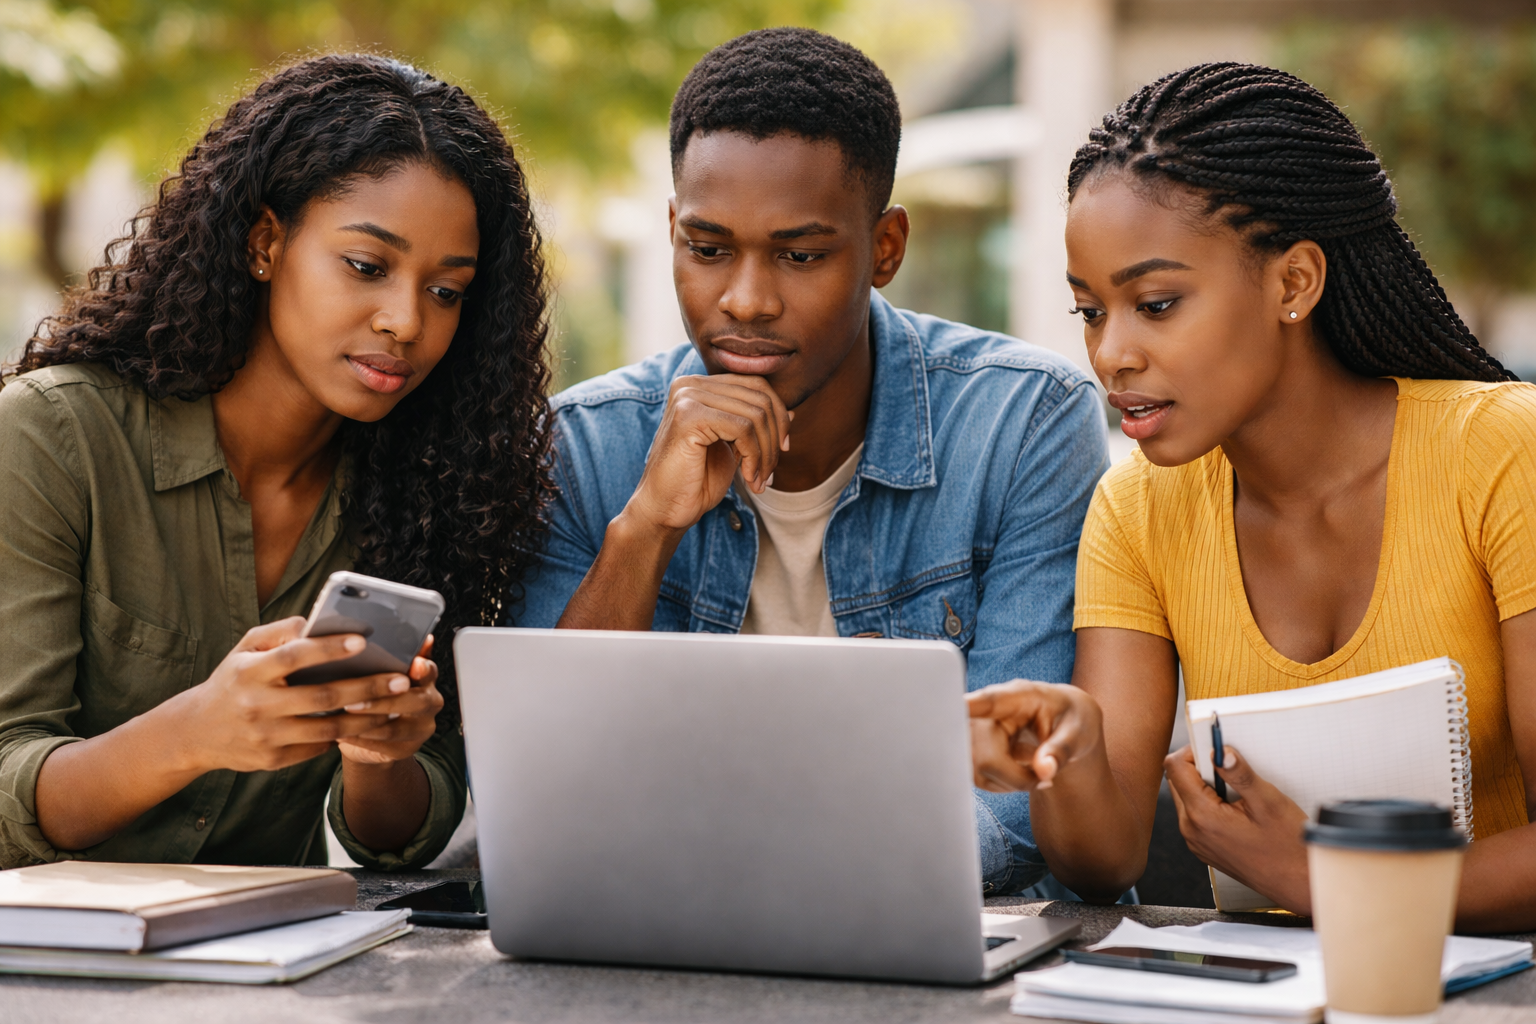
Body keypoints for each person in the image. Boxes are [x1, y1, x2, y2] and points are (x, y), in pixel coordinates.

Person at [515, 28, 1109, 896]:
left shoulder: (1024, 424)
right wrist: (644, 528)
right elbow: (540, 783)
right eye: (708, 249)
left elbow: (1018, 803)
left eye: (800, 255)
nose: (746, 300)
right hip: (659, 934)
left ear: (888, 249)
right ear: (673, 231)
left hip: (935, 932)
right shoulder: (587, 444)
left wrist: (768, 878)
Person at [965, 63, 1536, 932]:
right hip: (1271, 991)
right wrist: (1067, 758)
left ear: (1294, 283)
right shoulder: (1136, 510)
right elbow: (1103, 861)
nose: (1113, 353)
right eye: (1090, 311)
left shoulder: (1503, 452)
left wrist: (1323, 877)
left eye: (1156, 303)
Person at [0, 54, 552, 869]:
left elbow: (400, 838)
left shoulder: (431, 495)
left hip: (268, 968)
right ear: (265, 243)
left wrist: (379, 753)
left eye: (446, 291)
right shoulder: (55, 438)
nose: (406, 321)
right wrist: (195, 732)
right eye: (367, 266)